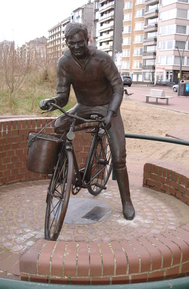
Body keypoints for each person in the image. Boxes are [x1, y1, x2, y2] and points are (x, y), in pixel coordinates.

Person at [39, 22, 135, 220]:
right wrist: (53, 101)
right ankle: (60, 168)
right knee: (58, 125)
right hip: (83, 106)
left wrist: (110, 112)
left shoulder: (102, 59)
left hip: (108, 108)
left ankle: (127, 202)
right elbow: (63, 97)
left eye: (80, 42)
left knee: (119, 157)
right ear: (66, 42)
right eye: (71, 43)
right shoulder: (64, 63)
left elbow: (118, 87)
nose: (76, 47)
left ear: (87, 39)